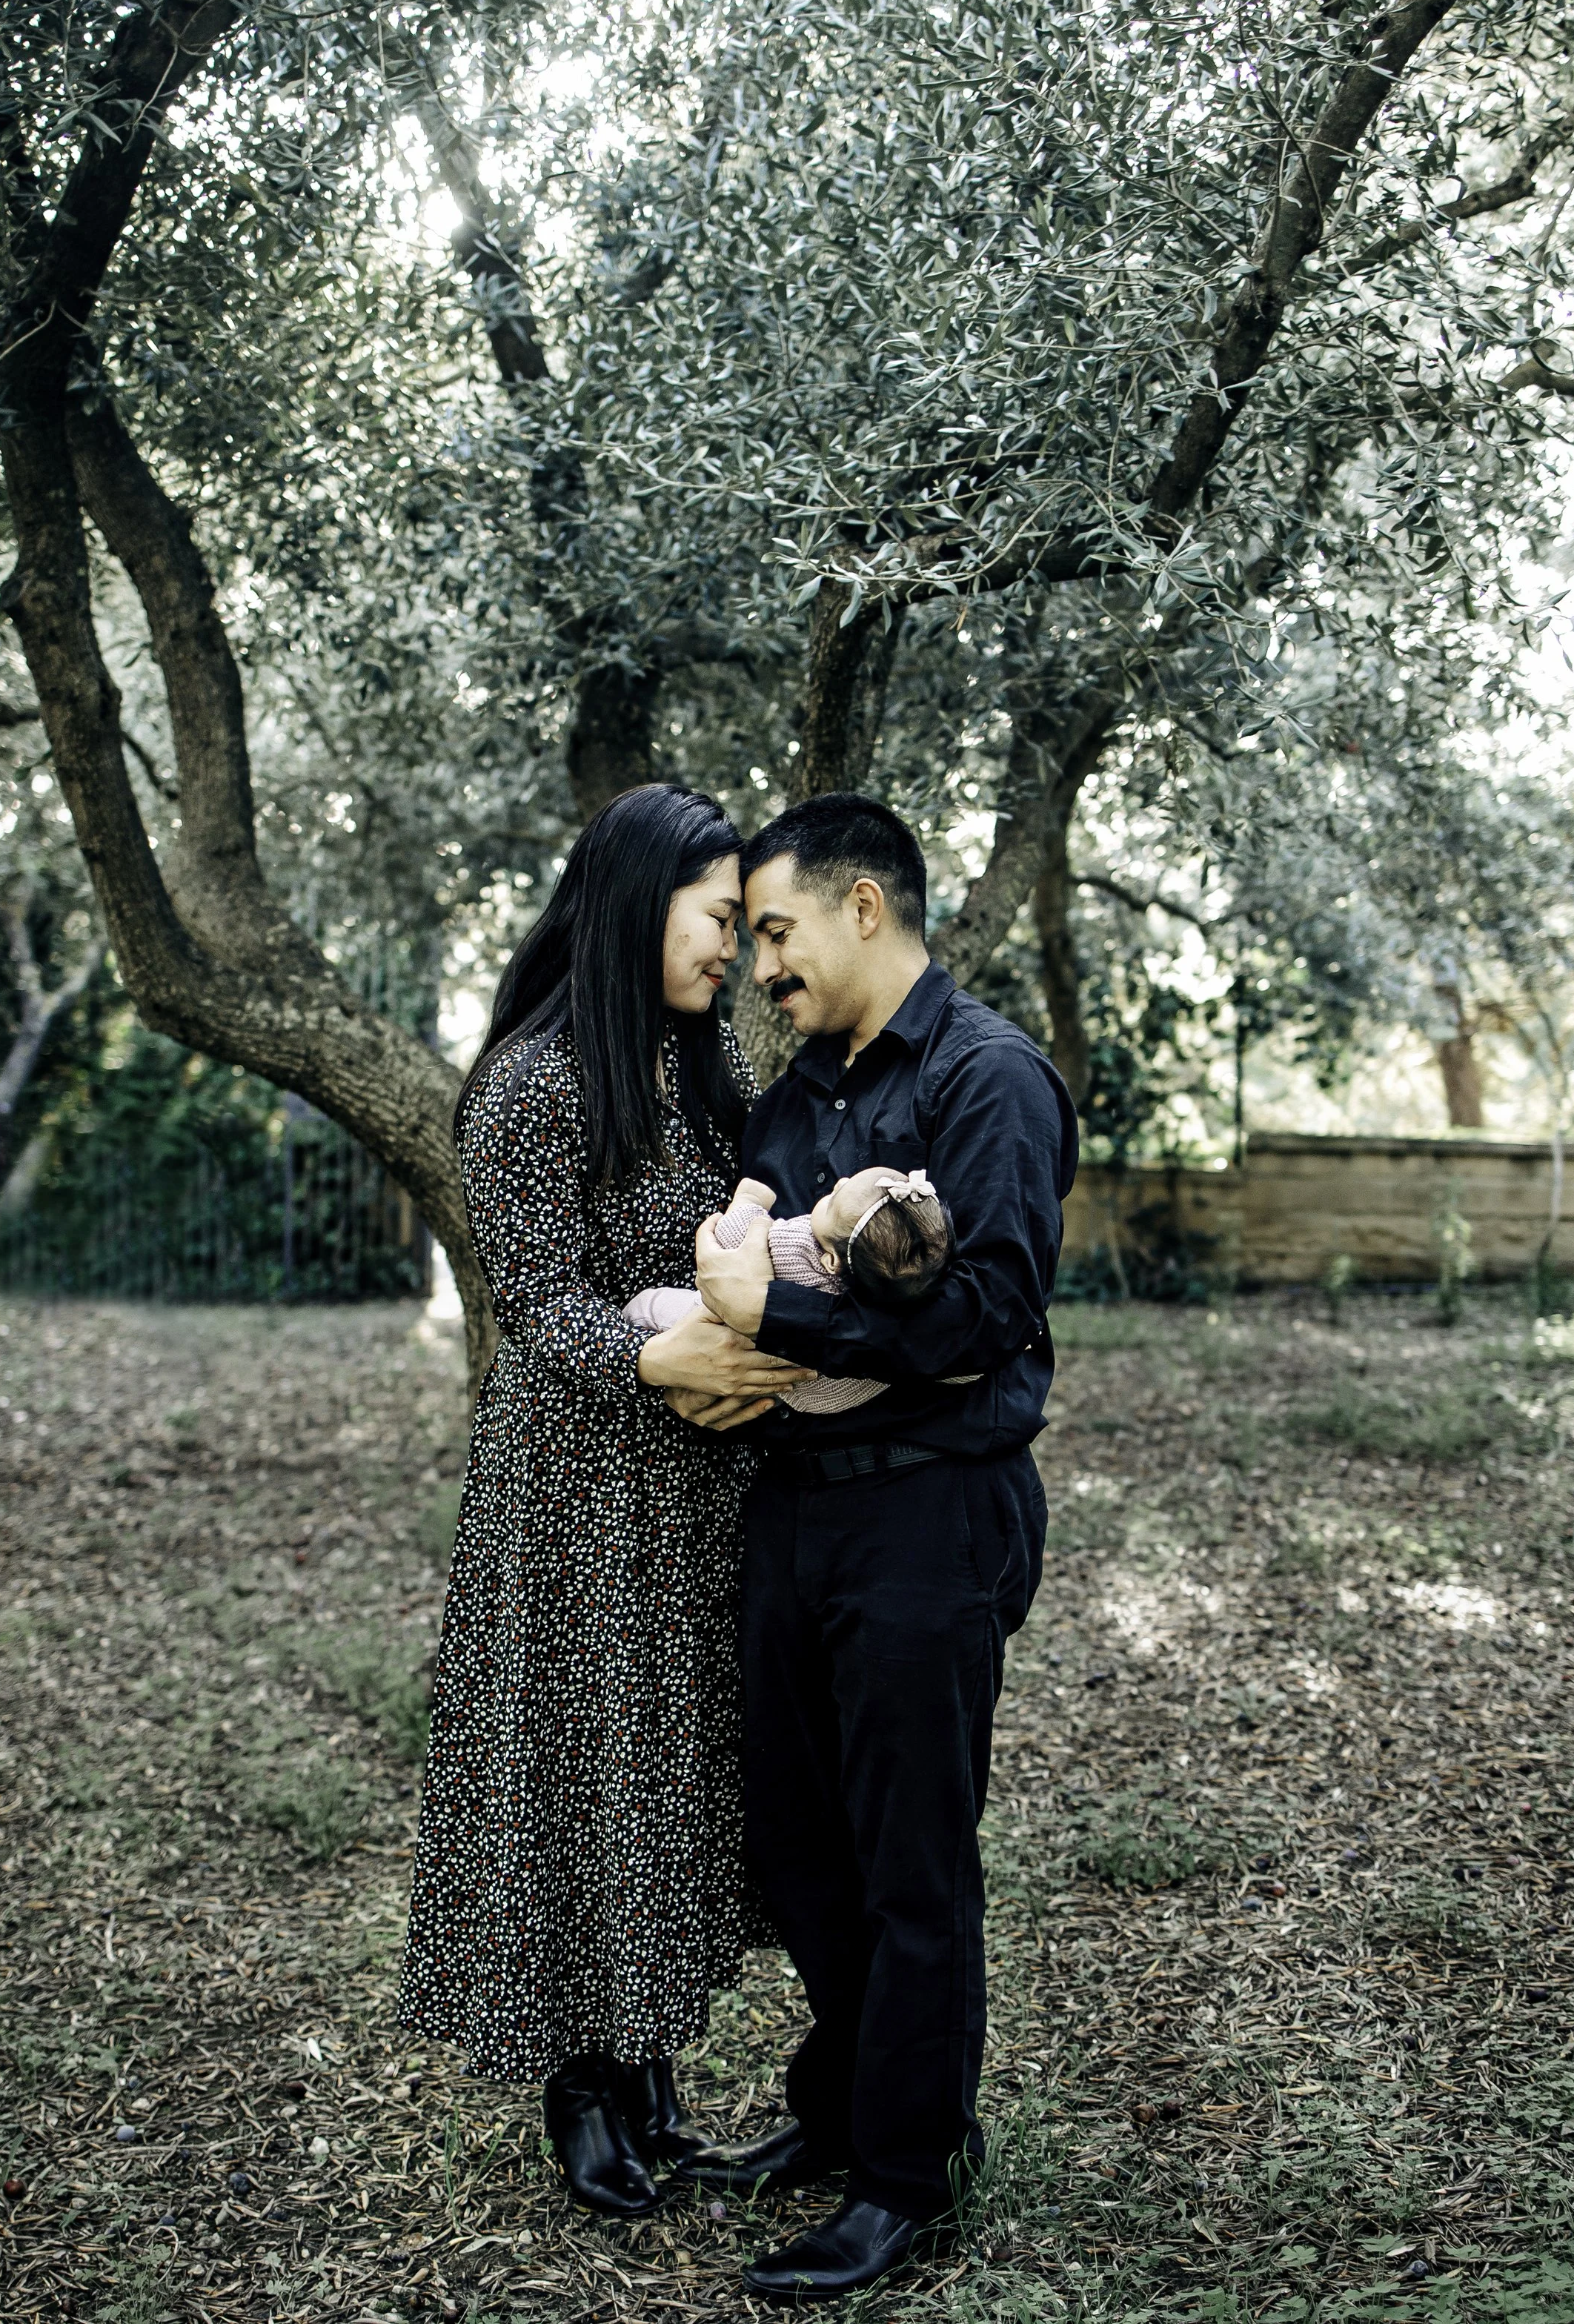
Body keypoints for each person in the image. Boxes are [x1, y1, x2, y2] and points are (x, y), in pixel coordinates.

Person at [397, 785, 814, 2217]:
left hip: (697, 1490)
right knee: (582, 1772)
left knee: (668, 1773)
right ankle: (582, 2079)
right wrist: (657, 1356)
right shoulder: (532, 1085)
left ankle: (649, 2057)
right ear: (641, 904)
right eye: (718, 919)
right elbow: (535, 1299)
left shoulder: (703, 1065)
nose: (734, 950)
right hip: (576, 1493)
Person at [686, 793, 1078, 2303]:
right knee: (800, 1848)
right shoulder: (797, 1093)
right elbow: (755, 1253)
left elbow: (982, 1317)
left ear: (864, 906)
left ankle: (907, 2173)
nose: (761, 966)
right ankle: (841, 2112)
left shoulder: (989, 1078)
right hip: (791, 1509)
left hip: (928, 1512)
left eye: (776, 931)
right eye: (748, 941)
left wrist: (771, 1316)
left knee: (910, 1860)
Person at [622, 1165, 968, 1413]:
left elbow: (735, 1241)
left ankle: (632, 1321)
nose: (839, 1181)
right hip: (822, 1392)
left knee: (655, 1305)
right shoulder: (898, 1303)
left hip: (727, 1337)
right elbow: (960, 1367)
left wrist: (748, 1201)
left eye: (833, 1199)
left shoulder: (801, 1247)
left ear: (831, 1261)